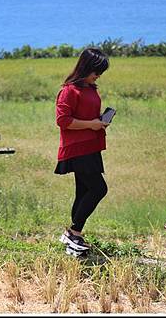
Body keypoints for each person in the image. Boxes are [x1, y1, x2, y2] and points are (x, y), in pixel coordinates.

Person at [54, 46, 110, 256]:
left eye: (101, 73)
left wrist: (99, 123)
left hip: (91, 146)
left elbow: (88, 116)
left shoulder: (90, 88)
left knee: (83, 191)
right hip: (77, 148)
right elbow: (63, 121)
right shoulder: (69, 90)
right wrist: (91, 124)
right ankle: (73, 232)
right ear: (86, 67)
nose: (98, 76)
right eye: (96, 71)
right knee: (98, 189)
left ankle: (72, 238)